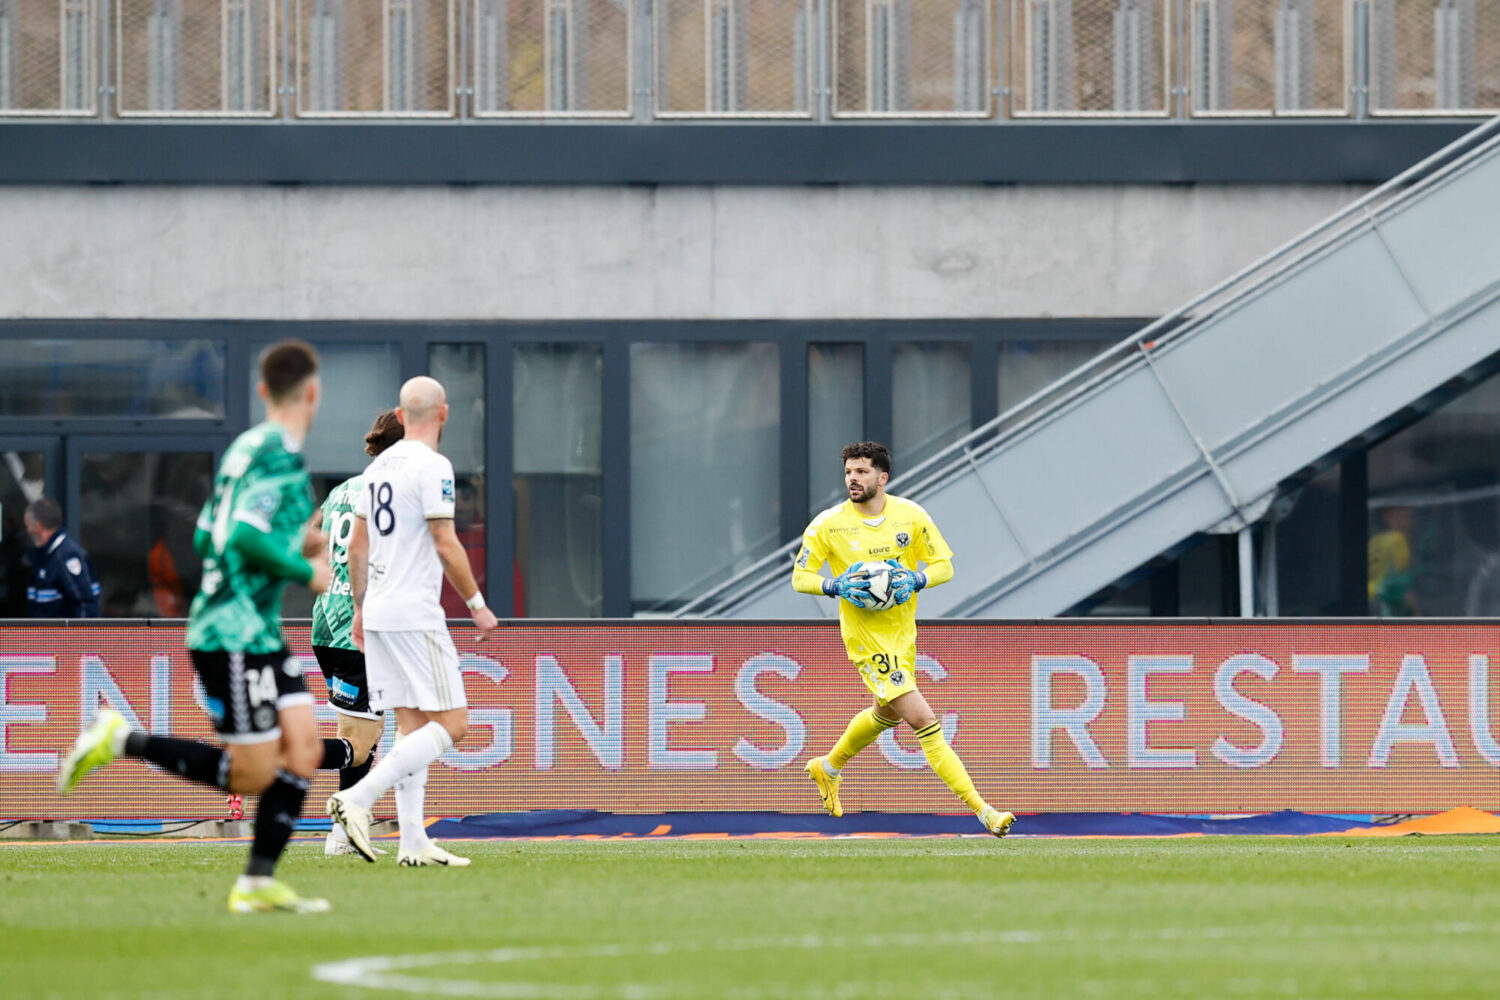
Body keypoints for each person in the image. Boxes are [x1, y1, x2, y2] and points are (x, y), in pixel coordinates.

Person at [58, 340, 336, 914]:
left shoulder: (243, 450)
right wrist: (303, 569)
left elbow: (210, 533)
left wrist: (292, 543)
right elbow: (243, 537)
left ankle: (257, 882)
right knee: (251, 775)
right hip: (231, 633)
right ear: (313, 392)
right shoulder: (282, 456)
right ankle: (121, 739)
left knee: (305, 748)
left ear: (262, 390)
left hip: (257, 630)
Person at [792, 441, 1014, 838]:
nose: (852, 479)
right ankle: (985, 812)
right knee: (925, 722)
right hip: (866, 639)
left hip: (902, 636)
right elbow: (800, 576)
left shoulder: (910, 516)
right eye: (848, 472)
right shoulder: (828, 524)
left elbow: (944, 566)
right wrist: (834, 585)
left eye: (861, 472)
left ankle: (828, 767)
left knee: (887, 714)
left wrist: (917, 579)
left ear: (882, 477)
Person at [327, 375, 498, 866]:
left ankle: (413, 842)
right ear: (444, 414)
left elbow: (357, 544)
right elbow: (445, 540)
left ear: (401, 416)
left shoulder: (378, 467)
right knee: (454, 723)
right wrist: (477, 604)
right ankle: (357, 798)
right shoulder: (433, 465)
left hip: (379, 609)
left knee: (412, 725)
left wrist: (361, 609)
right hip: (413, 612)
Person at [311, 408, 404, 857]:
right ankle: (286, 756)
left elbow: (309, 537)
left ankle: (343, 834)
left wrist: (330, 581)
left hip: (328, 624)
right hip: (358, 631)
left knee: (366, 733)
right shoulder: (391, 494)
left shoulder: (342, 490)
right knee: (360, 745)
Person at [24, 498, 100, 618]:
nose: (28, 531)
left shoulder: (66, 556)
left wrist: (81, 631)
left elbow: (85, 605)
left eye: (28, 526)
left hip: (62, 630)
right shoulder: (45, 555)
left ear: (38, 526)